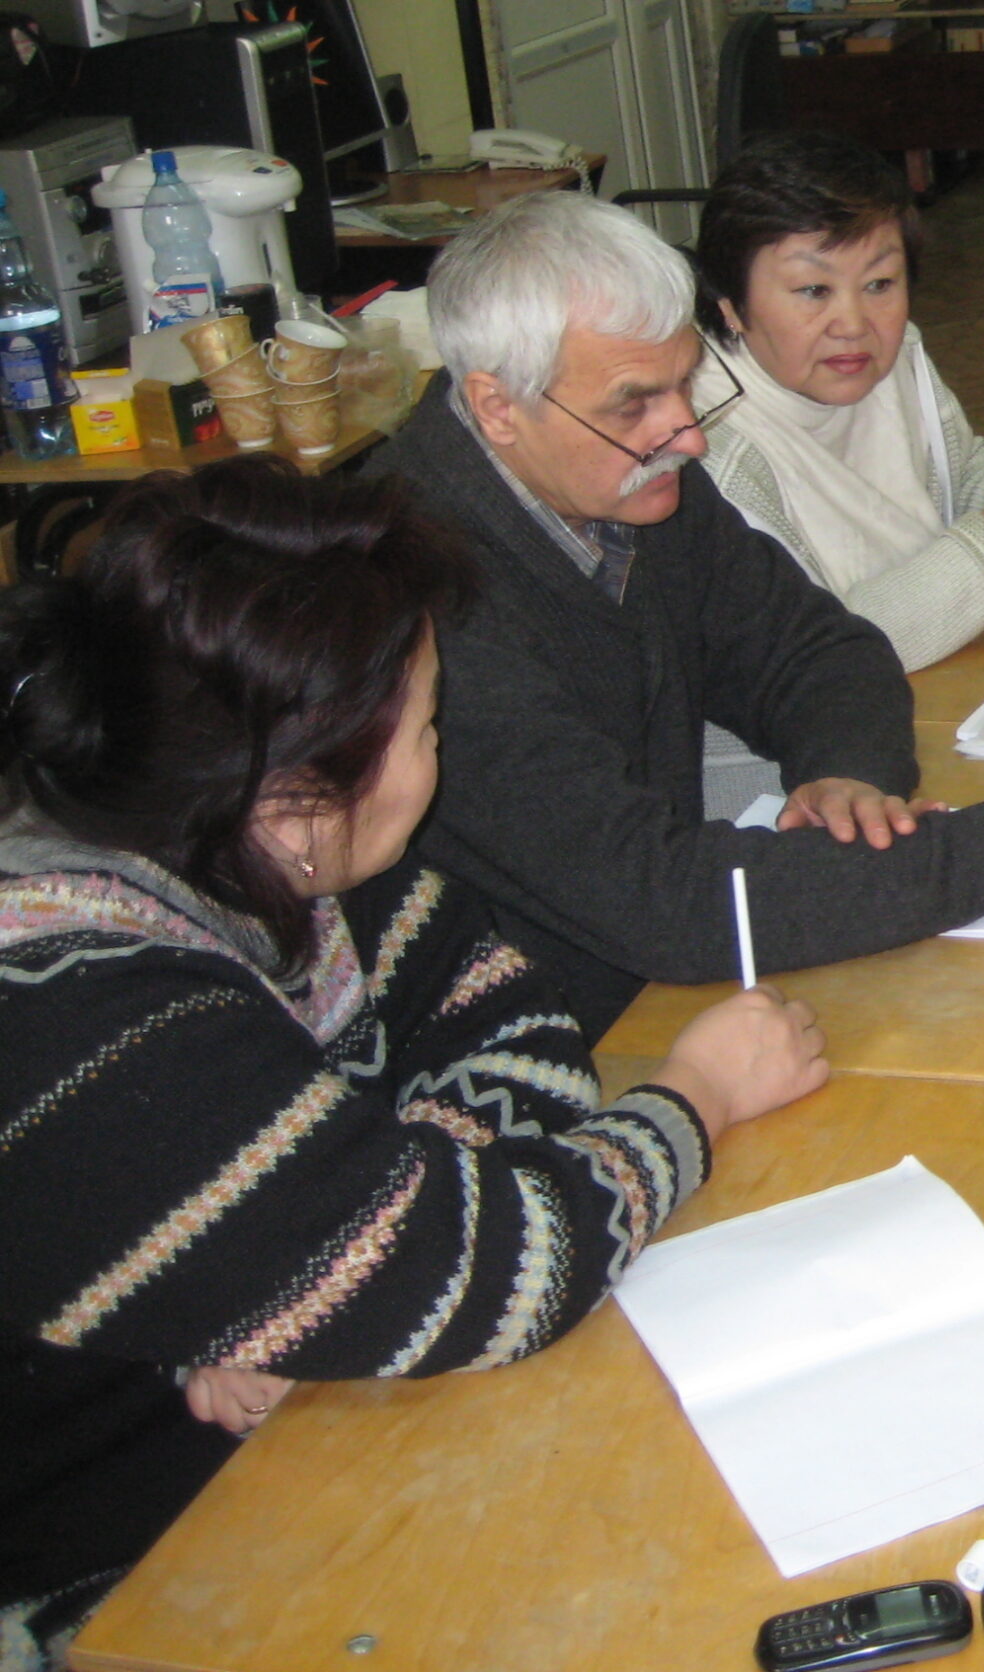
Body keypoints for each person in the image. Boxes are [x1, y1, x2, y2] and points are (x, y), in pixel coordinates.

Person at [0, 461, 829, 1669]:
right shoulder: (80, 1011)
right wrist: (694, 1096)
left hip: (295, 1441)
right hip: (126, 1568)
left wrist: (326, 1263)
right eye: (429, 725)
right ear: (300, 790)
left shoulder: (267, 848)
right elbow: (501, 1266)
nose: (438, 751)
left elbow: (516, 1032)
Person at [373, 189, 984, 1039]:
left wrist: (845, 775)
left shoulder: (639, 481)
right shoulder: (417, 600)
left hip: (667, 983)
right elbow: (661, 903)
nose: (689, 433)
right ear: (496, 406)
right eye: (634, 402)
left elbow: (821, 648)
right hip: (542, 1044)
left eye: (687, 385)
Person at [693, 128, 984, 670]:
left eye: (880, 284)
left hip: (947, 666)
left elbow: (954, 471)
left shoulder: (895, 358)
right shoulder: (703, 443)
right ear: (730, 303)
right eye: (813, 291)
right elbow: (811, 656)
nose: (853, 326)